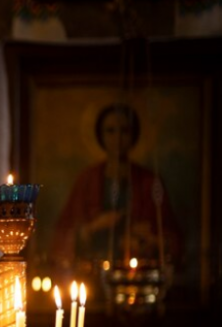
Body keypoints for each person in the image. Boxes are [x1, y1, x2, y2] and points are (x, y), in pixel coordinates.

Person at [50, 102, 183, 272]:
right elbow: (62, 236)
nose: (118, 138)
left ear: (134, 135)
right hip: (93, 272)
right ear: (101, 135)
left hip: (138, 272)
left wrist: (151, 239)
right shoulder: (87, 180)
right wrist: (94, 227)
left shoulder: (149, 181)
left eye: (124, 131)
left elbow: (172, 238)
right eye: (111, 131)